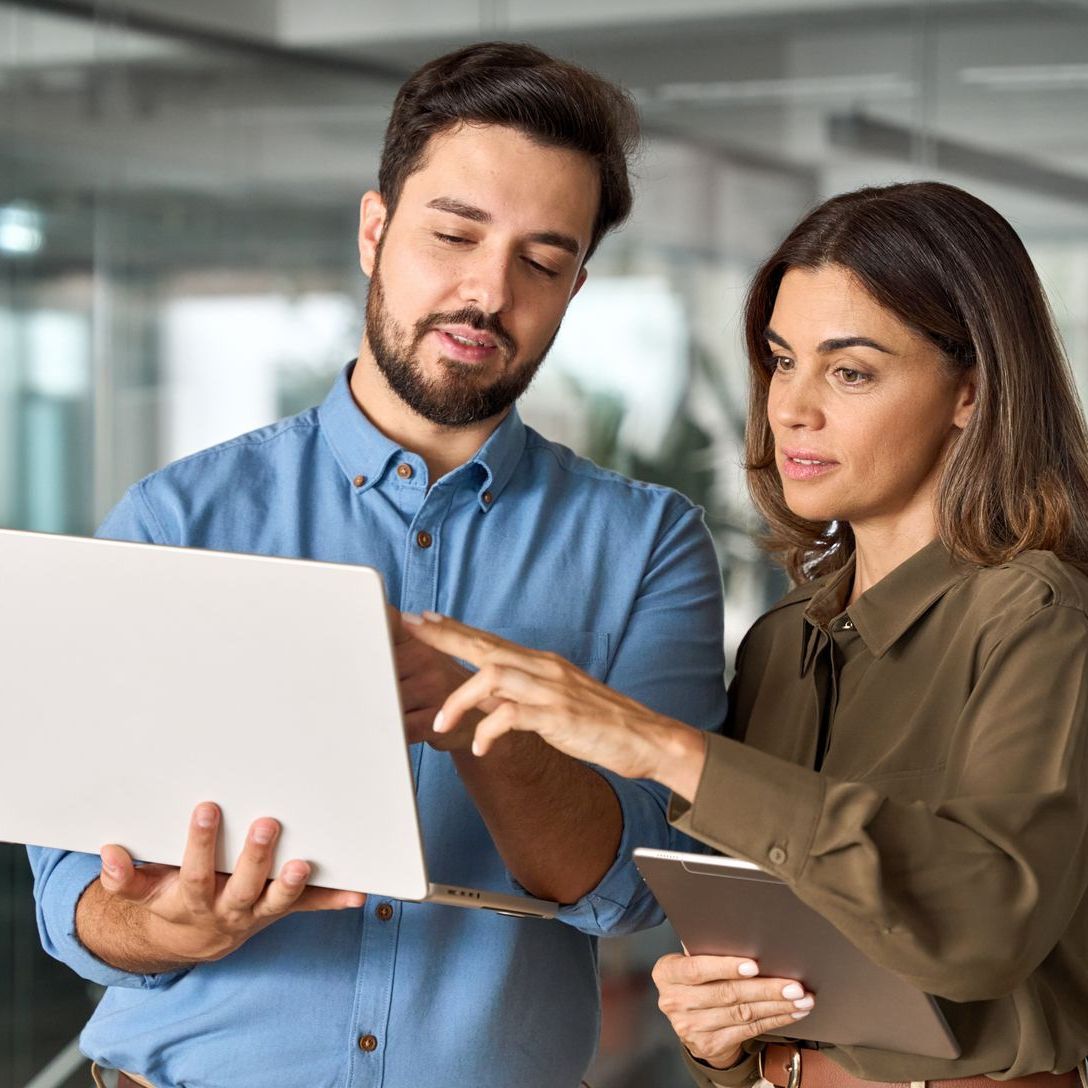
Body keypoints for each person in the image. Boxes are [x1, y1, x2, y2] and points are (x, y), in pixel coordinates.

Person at [27, 42, 729, 1088]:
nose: (486, 292)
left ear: (576, 285)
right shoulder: (178, 516)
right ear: (373, 231)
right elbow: (70, 897)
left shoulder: (647, 544)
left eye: (541, 262)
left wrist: (476, 709)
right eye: (452, 234)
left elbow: (637, 889)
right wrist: (164, 924)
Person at [406, 181, 1088, 1088]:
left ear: (970, 391)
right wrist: (716, 1030)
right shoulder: (779, 648)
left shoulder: (1041, 618)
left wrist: (660, 746)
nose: (792, 408)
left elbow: (981, 927)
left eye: (850, 371)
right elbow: (777, 972)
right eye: (781, 361)